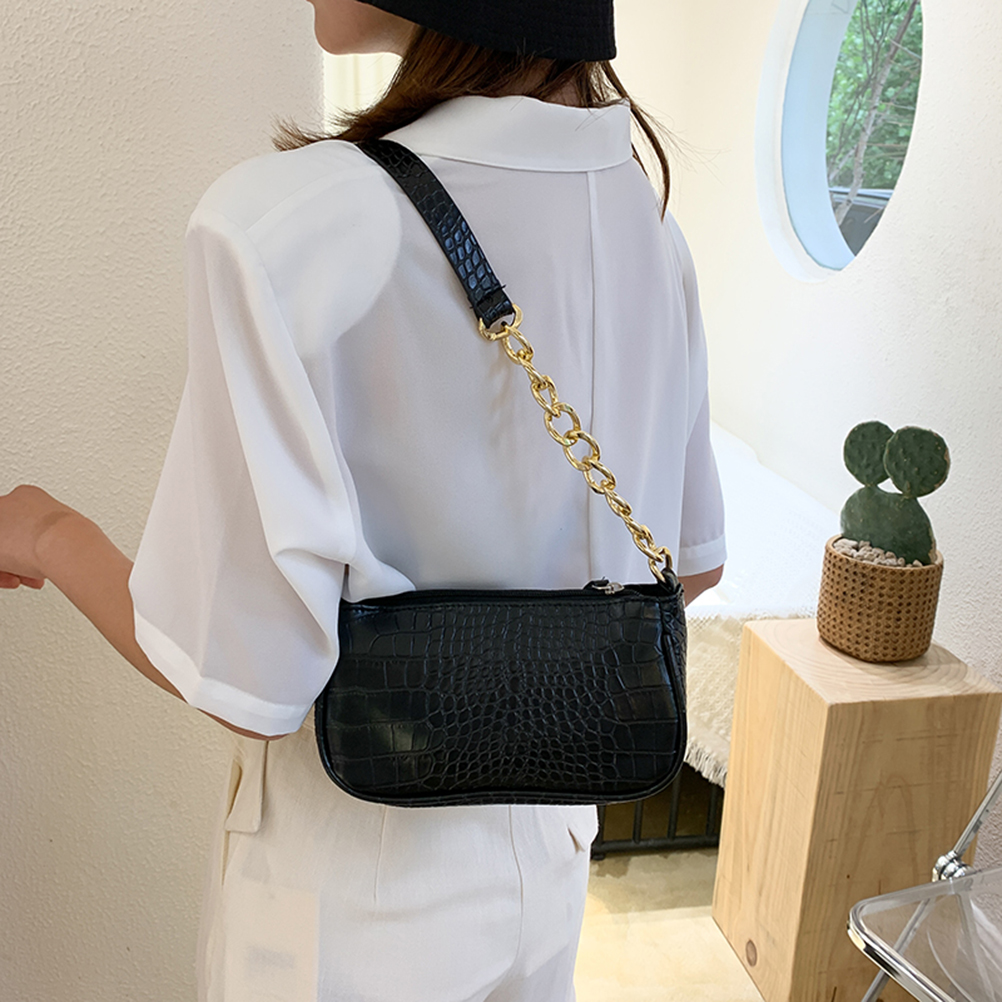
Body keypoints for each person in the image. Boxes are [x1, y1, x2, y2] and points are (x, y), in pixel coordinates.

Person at [0, 0, 726, 998]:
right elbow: (692, 571)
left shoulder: (286, 225)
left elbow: (250, 681)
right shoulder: (648, 221)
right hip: (555, 855)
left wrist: (47, 531)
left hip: (352, 893)